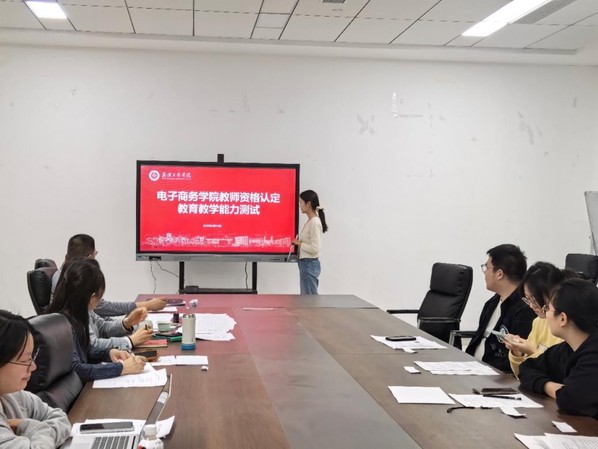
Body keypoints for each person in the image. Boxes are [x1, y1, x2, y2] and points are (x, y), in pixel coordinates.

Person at [47, 258, 146, 382]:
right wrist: (122, 368)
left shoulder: (77, 314)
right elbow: (77, 369)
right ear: (92, 298)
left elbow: (87, 351)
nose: (100, 301)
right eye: (100, 296)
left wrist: (108, 353)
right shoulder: (64, 325)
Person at [519, 278, 598, 418]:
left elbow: (572, 400)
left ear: (562, 319)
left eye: (548, 309)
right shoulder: (567, 348)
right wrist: (550, 386)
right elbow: (526, 368)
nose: (546, 314)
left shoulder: (593, 355)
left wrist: (560, 392)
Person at [0, 310, 71, 447]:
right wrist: (30, 427)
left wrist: (25, 427)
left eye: (31, 357)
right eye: (24, 360)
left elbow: (60, 418)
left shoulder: (14, 396)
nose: (33, 367)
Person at [51, 234, 167, 316]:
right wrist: (147, 305)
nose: (96, 253)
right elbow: (103, 308)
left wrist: (127, 324)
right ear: (89, 257)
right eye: (95, 253)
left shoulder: (63, 274)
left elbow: (99, 320)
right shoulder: (71, 280)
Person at [465, 244, 536, 374]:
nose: (485, 272)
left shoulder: (524, 309)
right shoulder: (492, 303)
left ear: (499, 274)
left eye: (487, 267)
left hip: (496, 376)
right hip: (472, 368)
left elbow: (518, 357)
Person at [503, 262, 576, 377]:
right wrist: (518, 352)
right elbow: (522, 375)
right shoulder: (539, 322)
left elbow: (562, 376)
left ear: (554, 293)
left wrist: (532, 351)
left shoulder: (567, 326)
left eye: (534, 299)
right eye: (527, 299)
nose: (531, 306)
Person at [291, 190, 328, 295]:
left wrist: (299, 243)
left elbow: (315, 249)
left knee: (309, 300)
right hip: (306, 264)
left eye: (301, 203)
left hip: (309, 264)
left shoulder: (314, 222)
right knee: (307, 298)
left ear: (308, 204)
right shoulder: (311, 221)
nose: (300, 206)